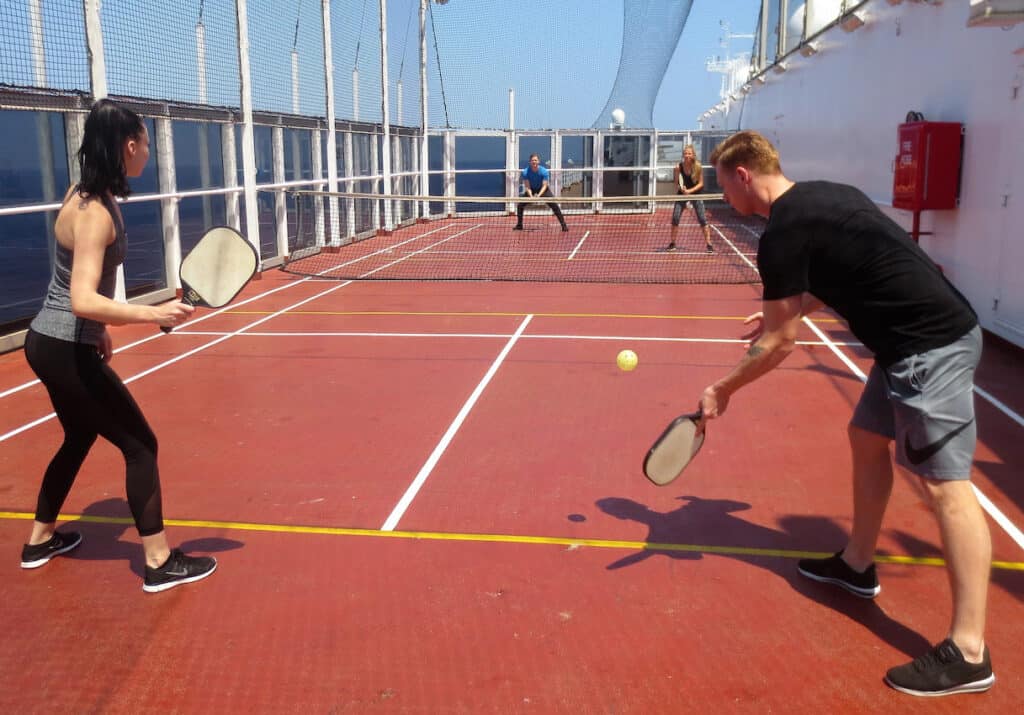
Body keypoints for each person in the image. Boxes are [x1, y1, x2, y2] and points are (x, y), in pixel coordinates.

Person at [699, 130, 992, 697]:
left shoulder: (782, 232)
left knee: (946, 491)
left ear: (742, 176)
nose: (723, 199)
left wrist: (723, 389)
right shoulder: (828, 196)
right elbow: (840, 273)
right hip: (907, 343)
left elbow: (780, 345)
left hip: (928, 348)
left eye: (723, 186)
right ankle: (858, 563)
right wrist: (788, 310)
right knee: (865, 436)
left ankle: (970, 651)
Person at [21, 98, 217, 594]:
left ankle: (39, 540)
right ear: (130, 145)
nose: (148, 152)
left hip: (52, 339)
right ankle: (157, 562)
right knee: (141, 445)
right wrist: (151, 313)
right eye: (146, 142)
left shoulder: (88, 195)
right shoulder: (95, 215)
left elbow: (72, 286)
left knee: (79, 436)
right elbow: (84, 298)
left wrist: (101, 330)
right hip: (64, 347)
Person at [665, 144, 713, 253]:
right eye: (685, 153)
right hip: (682, 194)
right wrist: (682, 189)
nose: (687, 155)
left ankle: (709, 244)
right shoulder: (679, 167)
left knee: (702, 219)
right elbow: (676, 183)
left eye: (689, 153)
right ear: (683, 155)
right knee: (675, 218)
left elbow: (701, 184)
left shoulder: (698, 166)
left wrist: (690, 192)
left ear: (693, 155)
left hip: (696, 194)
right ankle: (672, 243)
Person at [513, 153, 568, 232]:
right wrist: (531, 196)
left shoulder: (543, 171)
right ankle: (519, 225)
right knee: (520, 205)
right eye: (532, 160)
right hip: (531, 188)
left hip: (542, 189)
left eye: (535, 160)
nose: (534, 162)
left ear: (538, 161)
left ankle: (563, 225)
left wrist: (539, 195)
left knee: (554, 205)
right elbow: (527, 186)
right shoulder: (525, 172)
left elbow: (545, 185)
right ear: (530, 162)